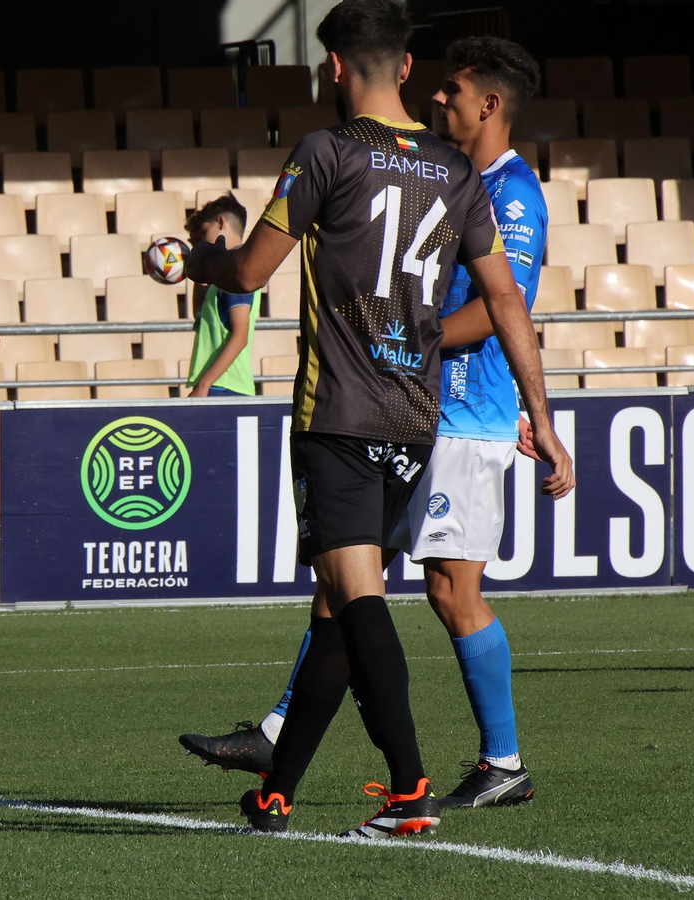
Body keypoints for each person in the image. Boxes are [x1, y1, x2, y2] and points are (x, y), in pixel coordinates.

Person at [182, 0, 574, 837]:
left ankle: (409, 794)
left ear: (332, 70)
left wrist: (196, 262)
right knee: (337, 601)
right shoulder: (455, 172)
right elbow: (507, 302)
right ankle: (276, 791)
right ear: (403, 68)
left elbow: (249, 270)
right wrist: (545, 417)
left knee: (360, 596)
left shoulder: (325, 152)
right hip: (415, 417)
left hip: (339, 411)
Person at [184, 194, 261, 397]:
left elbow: (240, 335)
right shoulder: (225, 273)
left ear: (221, 222)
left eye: (202, 233)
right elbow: (200, 314)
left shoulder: (234, 271)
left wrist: (204, 385)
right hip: (219, 385)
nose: (199, 243)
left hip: (223, 386)